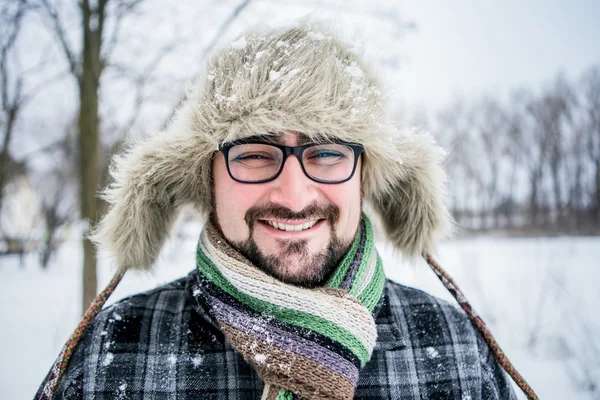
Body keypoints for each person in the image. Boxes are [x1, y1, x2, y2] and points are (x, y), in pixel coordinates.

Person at [37, 24, 518, 399]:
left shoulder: (458, 355)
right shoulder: (112, 353)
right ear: (208, 177)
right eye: (253, 153)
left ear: (365, 175)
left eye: (327, 153)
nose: (292, 196)